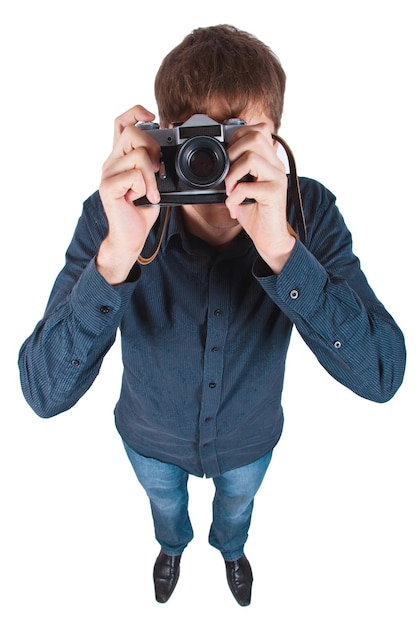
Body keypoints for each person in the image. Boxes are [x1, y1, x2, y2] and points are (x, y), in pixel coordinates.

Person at [18, 24, 406, 607]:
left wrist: (283, 251)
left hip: (248, 439)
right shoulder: (116, 214)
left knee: (237, 509)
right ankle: (171, 548)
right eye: (198, 140)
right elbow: (42, 392)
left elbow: (382, 374)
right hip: (150, 437)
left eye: (232, 138)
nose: (211, 160)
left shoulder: (307, 208)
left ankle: (231, 550)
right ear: (163, 140)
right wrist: (117, 255)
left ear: (273, 139)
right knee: (165, 508)